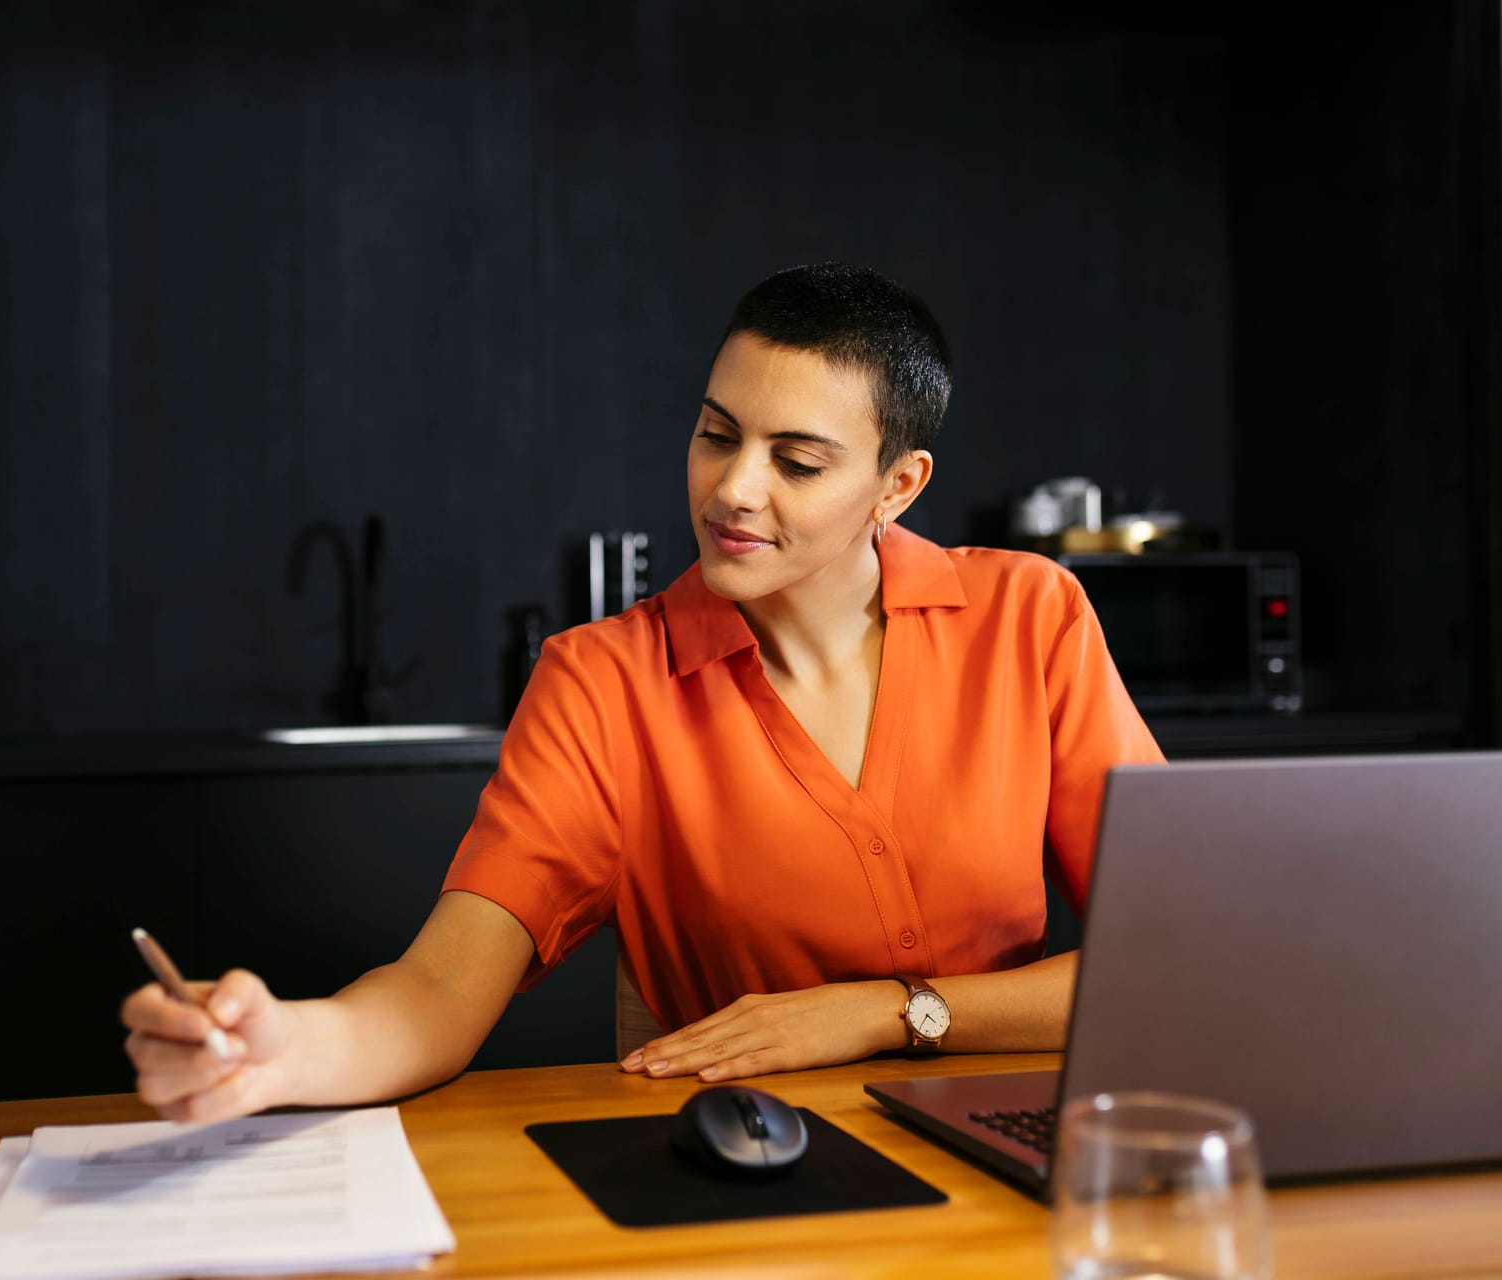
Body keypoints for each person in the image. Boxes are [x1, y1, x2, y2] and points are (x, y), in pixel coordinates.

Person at [122, 262, 1163, 1125]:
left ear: (898, 485)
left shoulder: (1033, 615)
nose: (732, 488)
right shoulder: (601, 681)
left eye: (796, 461)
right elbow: (443, 986)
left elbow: (1169, 960)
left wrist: (883, 1012)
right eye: (717, 434)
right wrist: (285, 1048)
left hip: (1024, 1141)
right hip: (759, 1167)